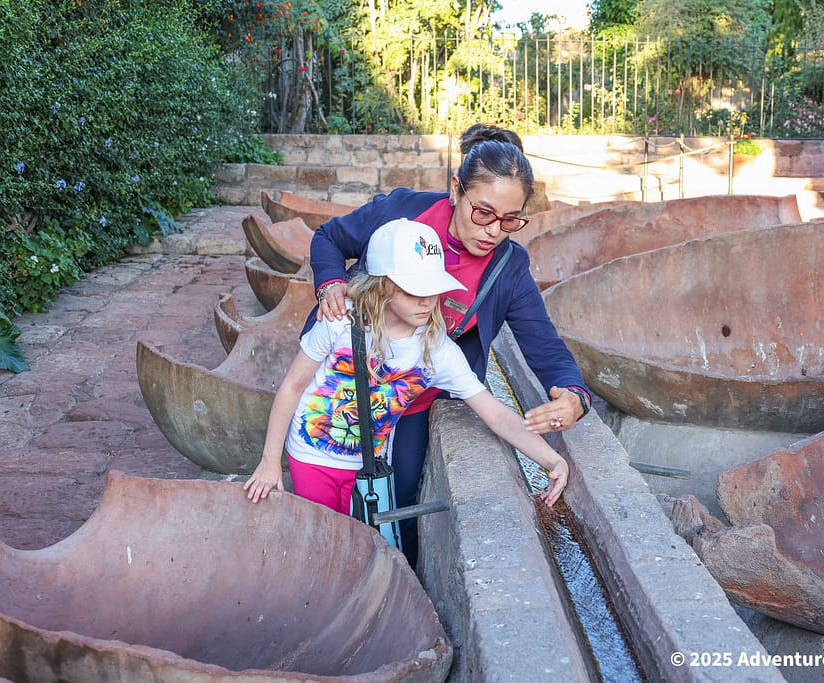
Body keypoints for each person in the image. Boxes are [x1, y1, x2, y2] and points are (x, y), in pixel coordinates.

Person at [304, 123, 593, 565]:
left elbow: (544, 344)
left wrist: (575, 395)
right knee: (321, 499)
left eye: (510, 220)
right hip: (346, 381)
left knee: (395, 507)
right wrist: (331, 285)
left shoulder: (509, 267)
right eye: (483, 213)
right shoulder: (403, 213)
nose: (494, 231)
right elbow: (329, 238)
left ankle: (392, 582)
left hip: (415, 396)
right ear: (456, 189)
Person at [244, 218, 569, 519]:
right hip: (313, 458)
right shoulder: (340, 321)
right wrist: (271, 461)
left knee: (360, 545)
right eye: (415, 290)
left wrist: (551, 460)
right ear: (383, 285)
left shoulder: (437, 351)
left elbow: (496, 414)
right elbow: (292, 386)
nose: (427, 301)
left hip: (370, 467)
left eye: (433, 289)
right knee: (320, 537)